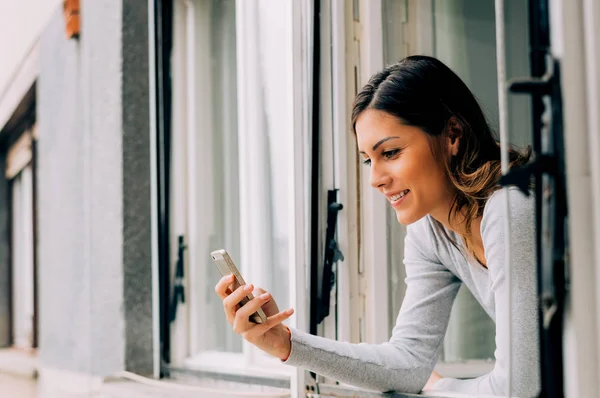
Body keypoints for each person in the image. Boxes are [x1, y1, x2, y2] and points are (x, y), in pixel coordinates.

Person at [214, 55, 540, 396]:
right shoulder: (430, 232)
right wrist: (285, 343)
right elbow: (409, 363)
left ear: (452, 134)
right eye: (369, 159)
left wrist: (441, 389)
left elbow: (519, 386)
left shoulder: (509, 208)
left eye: (391, 152)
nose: (375, 179)